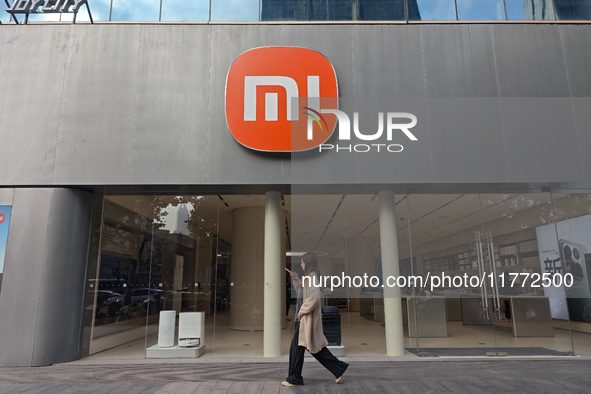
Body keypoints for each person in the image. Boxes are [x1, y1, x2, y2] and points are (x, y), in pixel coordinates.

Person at [282, 252, 349, 387]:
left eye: (302, 262)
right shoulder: (308, 278)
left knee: (298, 349)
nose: (301, 264)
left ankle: (294, 378)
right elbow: (302, 292)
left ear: (308, 263)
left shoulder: (312, 277)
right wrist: (296, 280)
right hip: (302, 319)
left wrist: (302, 311)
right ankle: (338, 367)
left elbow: (314, 298)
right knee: (313, 349)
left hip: (304, 319)